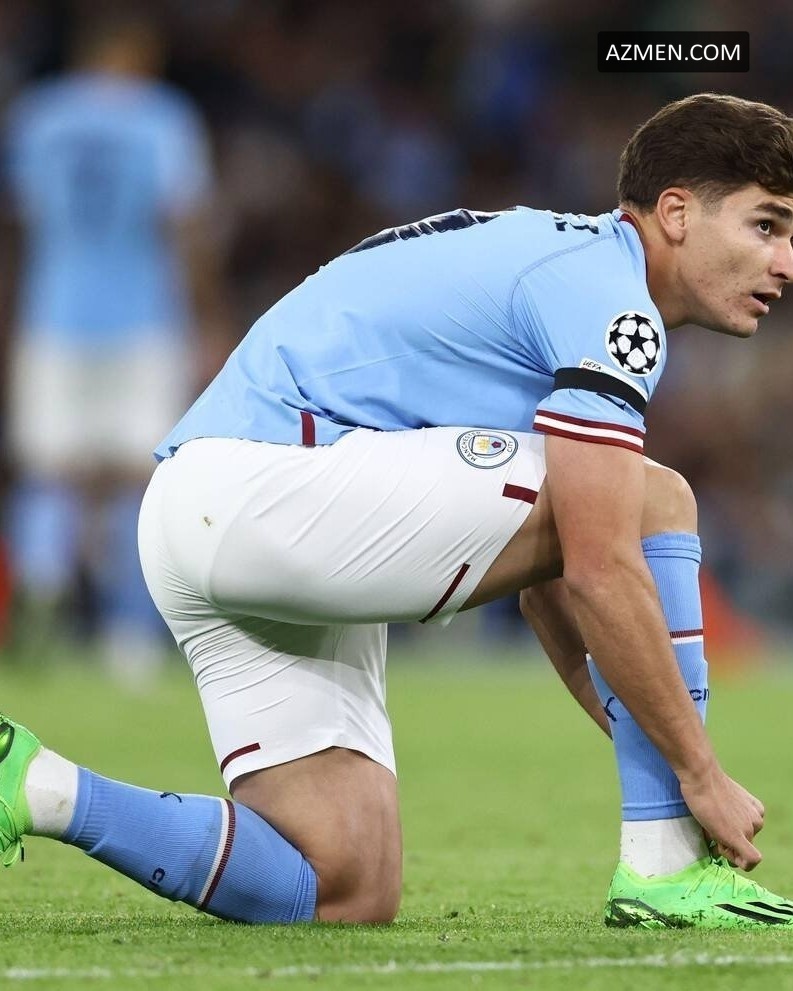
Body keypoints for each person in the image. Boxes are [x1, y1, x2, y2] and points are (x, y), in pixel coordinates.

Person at [1, 92, 793, 928]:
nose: (784, 262)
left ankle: (38, 785)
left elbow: (551, 588)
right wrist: (696, 773)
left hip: (206, 512)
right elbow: (599, 561)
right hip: (268, 487)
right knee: (654, 499)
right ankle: (669, 868)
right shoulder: (612, 302)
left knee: (342, 883)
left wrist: (656, 745)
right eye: (765, 225)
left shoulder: (555, 265)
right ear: (675, 213)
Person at [1, 13, 229, 681]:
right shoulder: (162, 117)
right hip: (143, 320)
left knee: (49, 473)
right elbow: (185, 225)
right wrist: (210, 318)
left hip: (52, 316)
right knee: (143, 477)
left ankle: (40, 589)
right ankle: (129, 637)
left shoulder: (37, 118)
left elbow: (15, 229)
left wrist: (12, 319)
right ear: (137, 51)